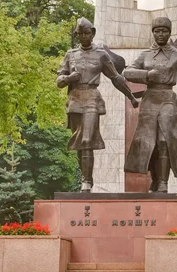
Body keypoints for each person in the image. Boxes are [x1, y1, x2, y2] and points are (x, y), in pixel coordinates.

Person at [124, 16, 177, 193]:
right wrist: (146, 76)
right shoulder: (145, 55)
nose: (160, 34)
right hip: (150, 99)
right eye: (157, 31)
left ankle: (163, 181)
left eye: (164, 31)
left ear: (169, 33)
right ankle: (154, 179)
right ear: (153, 33)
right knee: (150, 142)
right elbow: (127, 72)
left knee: (165, 140)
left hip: (168, 99)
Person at [57, 17, 138, 192]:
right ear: (77, 35)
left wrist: (130, 96)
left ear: (92, 33)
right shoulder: (70, 55)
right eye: (81, 34)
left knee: (87, 139)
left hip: (92, 97)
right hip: (75, 99)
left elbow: (116, 77)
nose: (84, 36)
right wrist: (69, 78)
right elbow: (59, 80)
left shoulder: (101, 54)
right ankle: (86, 178)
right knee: (80, 142)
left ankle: (86, 181)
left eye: (87, 33)